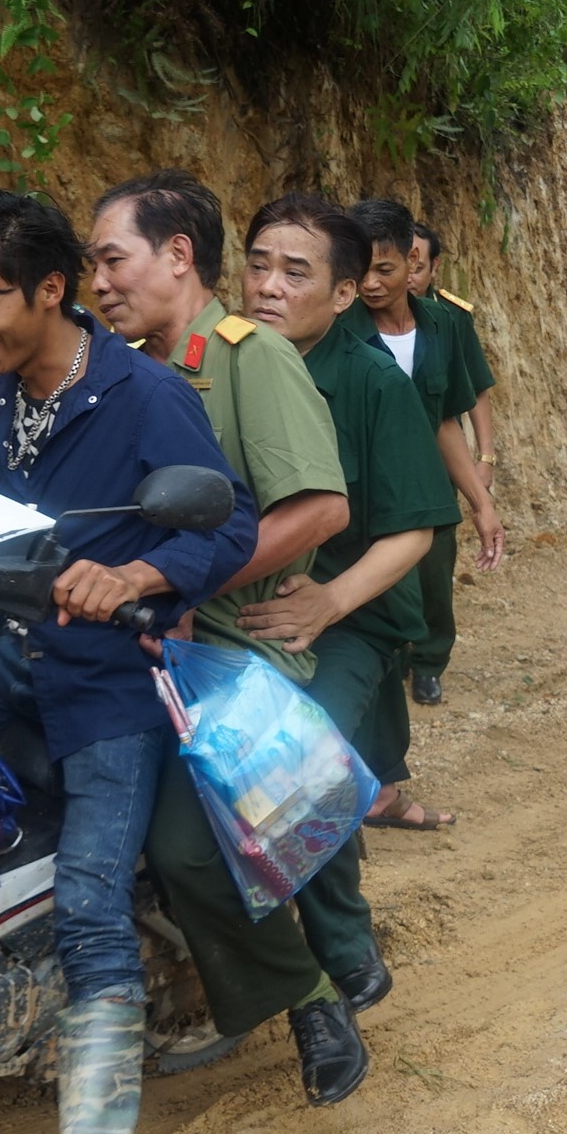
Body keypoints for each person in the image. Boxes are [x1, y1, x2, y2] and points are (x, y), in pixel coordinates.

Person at [0, 190, 257, 1134]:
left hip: (108, 684)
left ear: (52, 289)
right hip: (3, 664)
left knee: (90, 907)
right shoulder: (1, 397)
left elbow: (232, 519)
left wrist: (139, 571)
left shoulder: (144, 394)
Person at [147, 194, 458, 1077]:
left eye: (296, 273)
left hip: (354, 618)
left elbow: (413, 528)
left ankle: (340, 943)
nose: (269, 286)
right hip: (254, 607)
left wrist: (328, 603)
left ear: (347, 292)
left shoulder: (369, 384)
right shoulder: (212, 365)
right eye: (257, 265)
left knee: (284, 752)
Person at [86, 173, 369, 1105]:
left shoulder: (249, 358)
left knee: (189, 842)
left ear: (176, 258)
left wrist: (180, 586)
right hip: (127, 635)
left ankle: (311, 1000)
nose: (98, 284)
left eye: (111, 261)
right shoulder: (116, 369)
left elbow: (320, 505)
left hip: (222, 642)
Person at [335, 198, 504, 737]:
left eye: (384, 269)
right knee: (376, 605)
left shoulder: (441, 325)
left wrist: (482, 503)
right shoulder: (338, 331)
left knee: (432, 586)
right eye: (361, 270)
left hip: (427, 496)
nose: (370, 283)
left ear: (413, 263)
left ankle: (427, 665)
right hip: (364, 502)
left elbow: (443, 421)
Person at [406, 222, 498, 706]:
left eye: (416, 263)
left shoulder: (450, 319)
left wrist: (484, 457)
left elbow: (472, 391)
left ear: (433, 267)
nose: (407, 273)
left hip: (439, 465)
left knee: (434, 570)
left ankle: (428, 660)